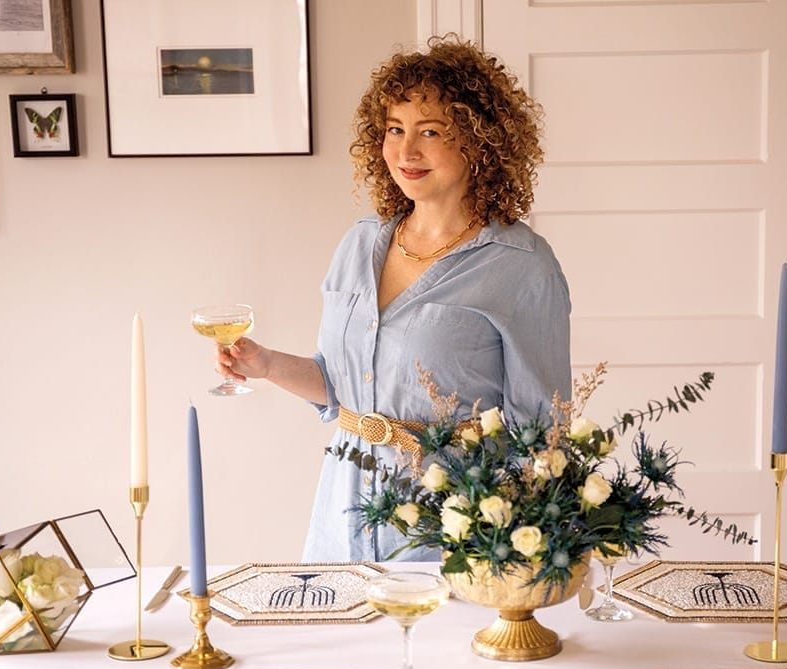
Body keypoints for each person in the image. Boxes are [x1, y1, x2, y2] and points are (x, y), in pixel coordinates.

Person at [216, 36, 572, 562]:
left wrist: (520, 554)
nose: (406, 152)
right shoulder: (360, 243)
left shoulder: (521, 266)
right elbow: (343, 387)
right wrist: (265, 364)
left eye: (430, 132)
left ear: (479, 142)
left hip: (452, 529)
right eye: (394, 130)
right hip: (342, 517)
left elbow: (541, 429)